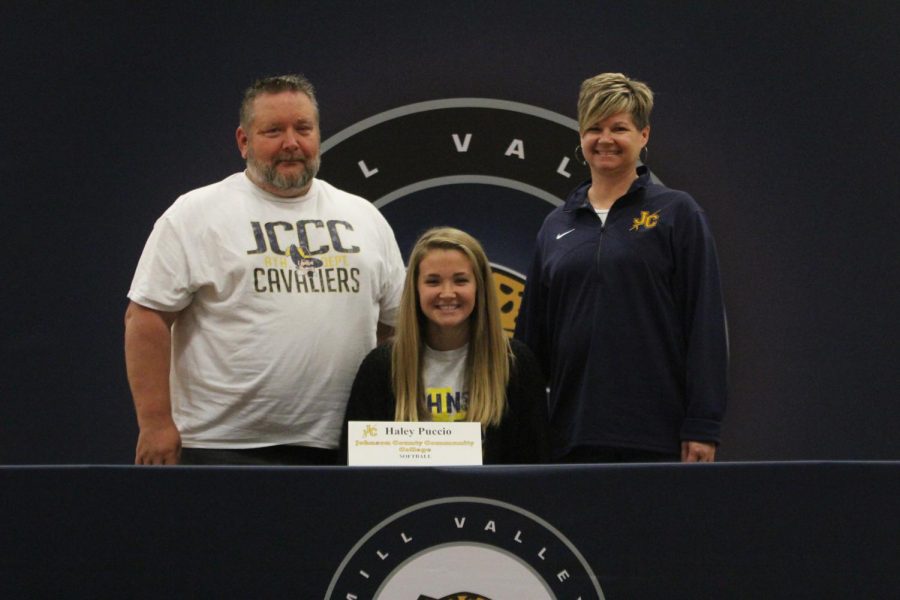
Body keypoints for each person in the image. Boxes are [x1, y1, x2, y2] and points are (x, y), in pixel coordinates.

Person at [124, 74, 406, 465]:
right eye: (273, 131)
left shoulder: (364, 217)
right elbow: (146, 318)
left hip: (342, 445)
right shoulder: (194, 214)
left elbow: (394, 328)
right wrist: (155, 424)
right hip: (221, 446)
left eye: (303, 129)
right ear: (243, 141)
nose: (291, 143)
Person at [515, 72, 728, 463]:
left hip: (657, 435)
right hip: (571, 436)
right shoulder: (555, 225)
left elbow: (704, 323)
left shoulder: (678, 213)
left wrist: (702, 424)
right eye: (594, 128)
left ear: (643, 135)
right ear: (581, 136)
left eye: (619, 128)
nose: (605, 139)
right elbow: (531, 346)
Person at [340, 227, 550, 464]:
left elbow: (535, 469)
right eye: (433, 281)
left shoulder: (516, 364)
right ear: (415, 289)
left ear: (479, 287)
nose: (447, 293)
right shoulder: (381, 367)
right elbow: (355, 469)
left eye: (460, 280)